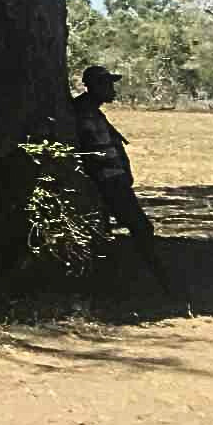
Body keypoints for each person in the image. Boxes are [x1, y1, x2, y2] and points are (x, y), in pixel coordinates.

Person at [72, 65, 186, 305]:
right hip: (107, 182)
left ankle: (116, 286)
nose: (112, 89)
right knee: (141, 228)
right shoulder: (81, 112)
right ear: (94, 86)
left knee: (117, 232)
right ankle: (164, 285)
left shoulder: (91, 111)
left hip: (113, 180)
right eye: (107, 84)